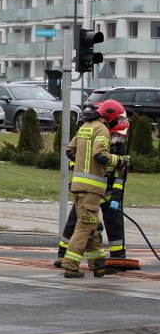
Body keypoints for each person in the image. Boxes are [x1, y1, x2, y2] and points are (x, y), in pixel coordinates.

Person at [54, 110, 130, 268]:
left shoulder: (119, 150)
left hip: (107, 193)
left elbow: (119, 178)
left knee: (110, 224)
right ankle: (65, 257)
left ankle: (114, 258)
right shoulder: (100, 136)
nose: (119, 139)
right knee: (79, 223)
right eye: (118, 135)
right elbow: (85, 158)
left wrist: (115, 198)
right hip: (90, 189)